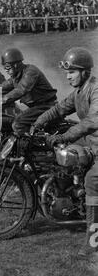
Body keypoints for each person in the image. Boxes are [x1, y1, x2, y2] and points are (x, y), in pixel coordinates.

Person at [32, 47, 98, 260]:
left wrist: (65, 136)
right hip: (92, 143)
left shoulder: (95, 90)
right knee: (62, 157)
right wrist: (39, 121)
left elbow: (91, 122)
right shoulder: (79, 91)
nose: (68, 76)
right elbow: (60, 108)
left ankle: (93, 243)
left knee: (92, 181)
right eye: (67, 73)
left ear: (85, 72)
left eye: (72, 72)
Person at [1, 47, 57, 135]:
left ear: (15, 65)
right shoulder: (17, 76)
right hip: (34, 107)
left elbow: (21, 90)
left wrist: (1, 100)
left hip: (45, 106)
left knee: (17, 124)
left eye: (7, 67)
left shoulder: (30, 72)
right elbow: (2, 87)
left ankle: (26, 147)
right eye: (4, 67)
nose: (5, 70)